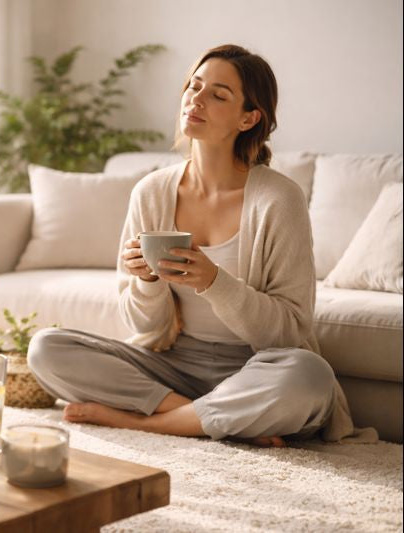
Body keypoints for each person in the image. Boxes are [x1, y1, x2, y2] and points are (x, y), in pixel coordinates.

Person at [27, 44, 364, 446]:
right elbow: (144, 328)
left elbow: (290, 333)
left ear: (249, 118)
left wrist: (214, 282)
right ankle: (216, 415)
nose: (195, 99)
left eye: (218, 95)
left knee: (309, 377)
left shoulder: (279, 199)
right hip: (173, 363)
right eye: (194, 85)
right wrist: (147, 282)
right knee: (46, 349)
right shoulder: (151, 192)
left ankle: (144, 422)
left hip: (256, 365)